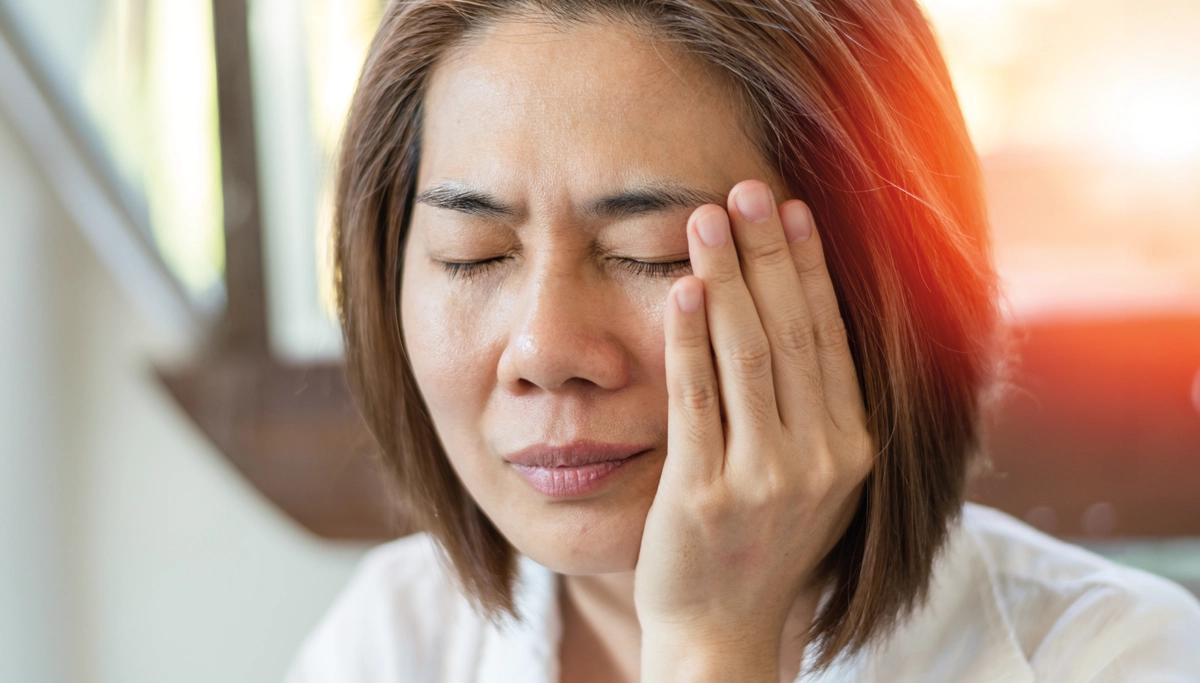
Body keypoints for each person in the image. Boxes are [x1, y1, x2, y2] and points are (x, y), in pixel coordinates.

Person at [284, 1, 1200, 681]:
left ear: (874, 283)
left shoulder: (1111, 656)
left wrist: (711, 645)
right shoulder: (395, 640)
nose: (544, 347)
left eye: (650, 252)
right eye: (474, 254)